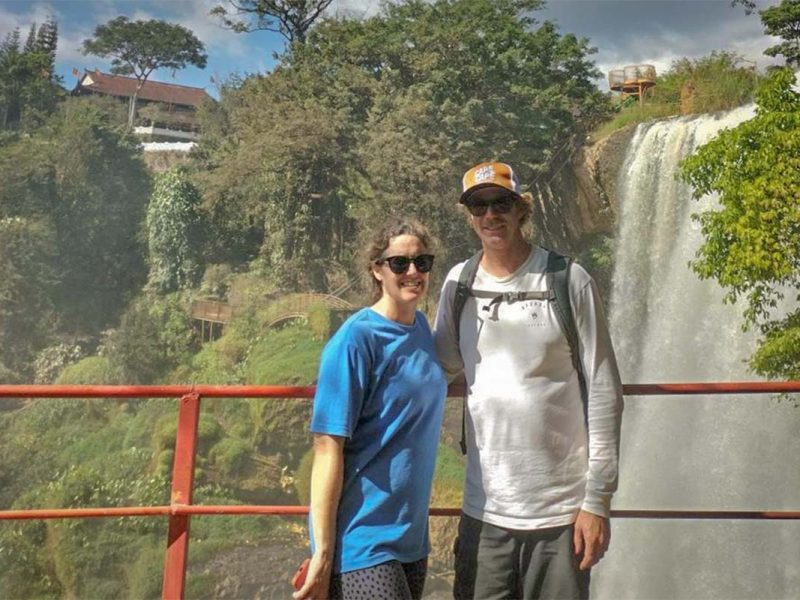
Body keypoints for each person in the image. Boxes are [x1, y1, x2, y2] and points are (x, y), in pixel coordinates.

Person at [433, 162, 623, 600]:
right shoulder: (457, 285)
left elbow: (604, 390)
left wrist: (598, 499)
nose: (490, 215)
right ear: (469, 216)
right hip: (485, 511)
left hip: (560, 513)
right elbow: (437, 367)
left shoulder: (567, 280)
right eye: (479, 206)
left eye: (501, 203)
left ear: (521, 209)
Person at [294, 218, 447, 600]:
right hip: (364, 539)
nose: (413, 272)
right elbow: (327, 447)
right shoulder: (355, 340)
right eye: (400, 263)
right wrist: (322, 551)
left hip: (412, 539)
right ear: (377, 270)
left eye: (422, 263)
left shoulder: (423, 330)